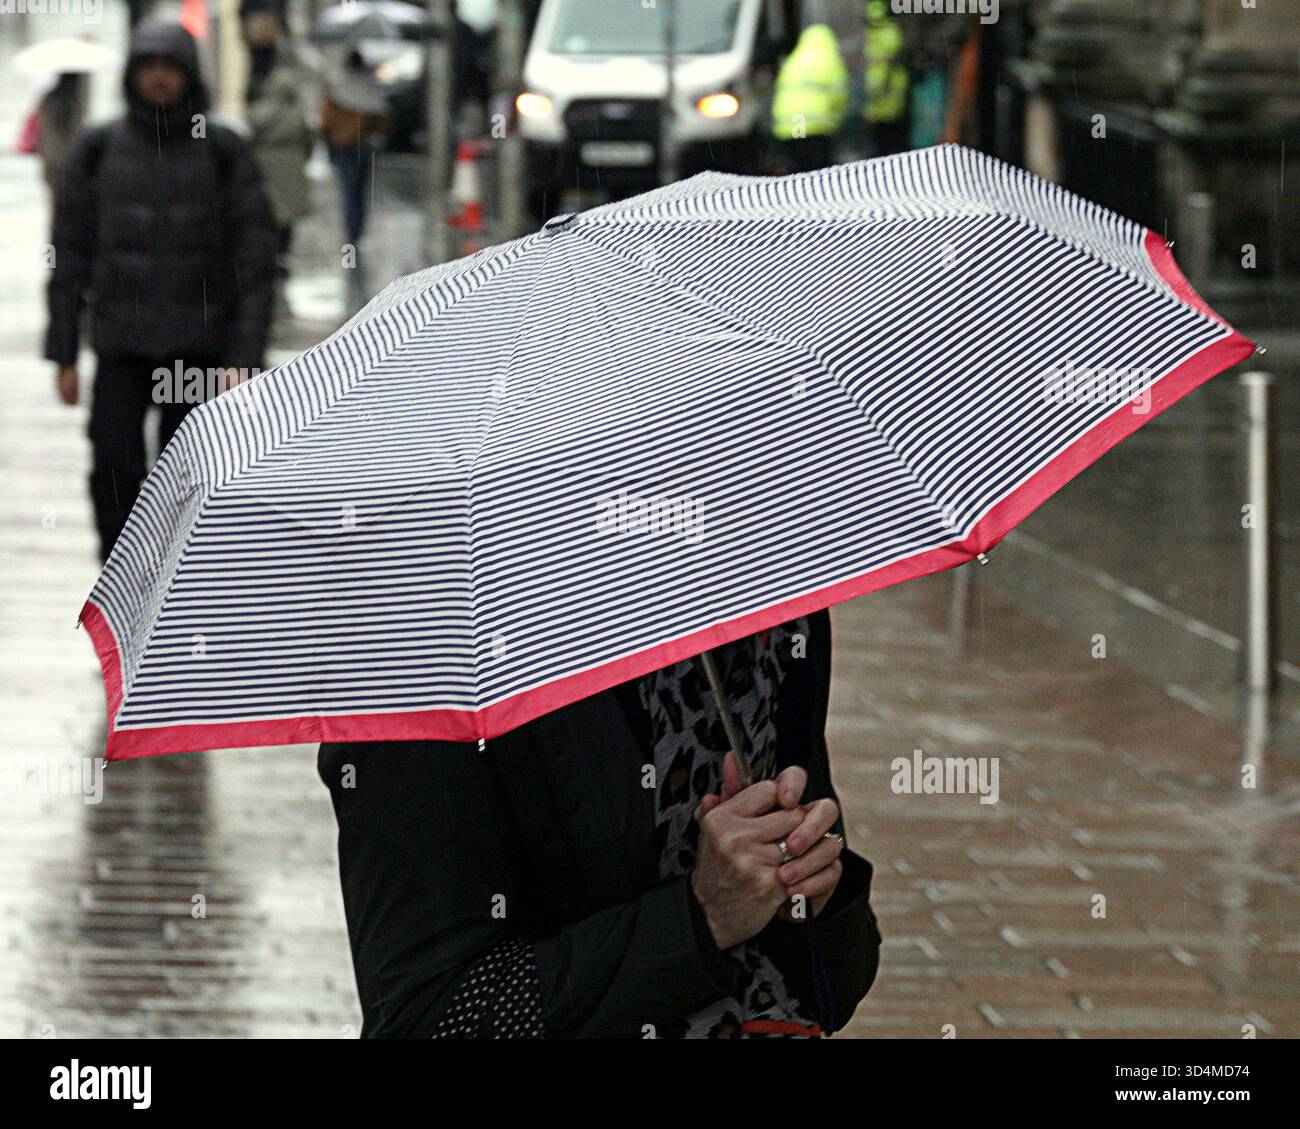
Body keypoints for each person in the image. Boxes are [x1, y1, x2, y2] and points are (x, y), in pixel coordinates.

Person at [319, 610, 883, 1038]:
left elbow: (829, 986)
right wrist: (699, 919)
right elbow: (427, 1017)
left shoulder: (777, 612)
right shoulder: (433, 655)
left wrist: (808, 892)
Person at [44, 21, 277, 563]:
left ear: (189, 76)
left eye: (169, 68)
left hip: (198, 353)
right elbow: (68, 255)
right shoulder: (97, 150)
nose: (159, 79)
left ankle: (176, 580)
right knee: (114, 468)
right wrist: (63, 352)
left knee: (189, 480)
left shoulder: (222, 151)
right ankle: (121, 571)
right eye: (148, 67)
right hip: (122, 347)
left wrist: (244, 359)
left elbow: (255, 261)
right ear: (131, 75)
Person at [240, 0, 313, 317]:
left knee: (269, 215)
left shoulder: (260, 110)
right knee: (286, 220)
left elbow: (250, 136)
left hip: (268, 172)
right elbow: (308, 143)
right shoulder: (296, 114)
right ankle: (282, 258)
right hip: (291, 173)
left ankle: (271, 258)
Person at [319, 49, 392, 250]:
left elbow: (326, 121)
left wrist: (329, 142)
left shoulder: (336, 88)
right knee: (361, 190)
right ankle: (358, 231)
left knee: (349, 191)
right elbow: (383, 118)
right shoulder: (370, 87)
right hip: (364, 146)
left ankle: (351, 234)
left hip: (343, 147)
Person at [770, 24, 849, 174]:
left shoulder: (794, 59)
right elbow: (839, 96)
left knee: (798, 169)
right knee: (817, 171)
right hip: (814, 126)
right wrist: (837, 119)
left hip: (792, 125)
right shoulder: (828, 59)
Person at [862, 0, 911, 157]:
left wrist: (882, 85)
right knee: (883, 142)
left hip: (888, 91)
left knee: (891, 142)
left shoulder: (888, 31)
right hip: (879, 95)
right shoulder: (880, 32)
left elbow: (889, 60)